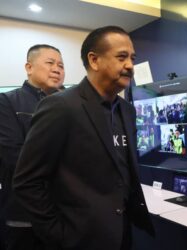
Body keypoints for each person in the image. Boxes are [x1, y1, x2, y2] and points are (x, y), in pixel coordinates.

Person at [12, 26, 154, 250]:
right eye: (121, 57)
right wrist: (59, 235)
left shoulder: (127, 110)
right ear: (94, 60)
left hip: (122, 234)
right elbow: (27, 182)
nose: (129, 65)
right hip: (77, 239)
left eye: (132, 58)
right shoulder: (60, 107)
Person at [0, 44, 65, 250]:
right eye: (50, 63)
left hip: (66, 213)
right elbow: (15, 157)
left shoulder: (71, 105)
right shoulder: (7, 102)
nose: (57, 69)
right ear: (29, 67)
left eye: (61, 65)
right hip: (24, 215)